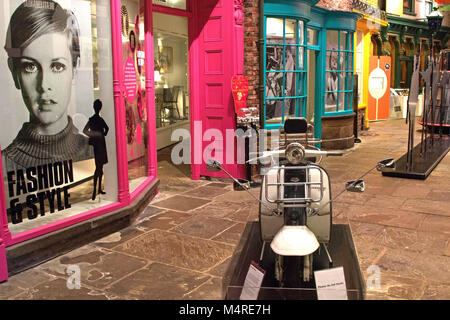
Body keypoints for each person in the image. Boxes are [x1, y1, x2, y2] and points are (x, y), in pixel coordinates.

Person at [2, 0, 92, 171]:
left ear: (74, 68)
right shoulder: (4, 165)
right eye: (30, 67)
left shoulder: (94, 151)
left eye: (57, 67)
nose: (44, 85)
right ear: (14, 73)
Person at [83, 99, 109, 200]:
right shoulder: (100, 120)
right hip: (101, 144)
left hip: (96, 145)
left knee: (99, 167)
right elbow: (107, 129)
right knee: (99, 168)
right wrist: (101, 134)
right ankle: (95, 190)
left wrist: (93, 135)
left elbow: (85, 130)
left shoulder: (92, 119)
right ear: (100, 108)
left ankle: (97, 189)